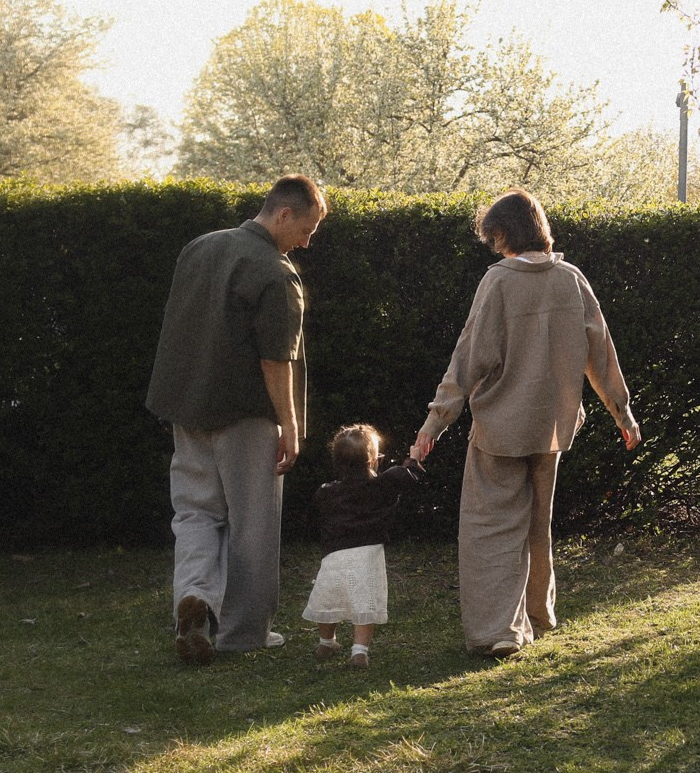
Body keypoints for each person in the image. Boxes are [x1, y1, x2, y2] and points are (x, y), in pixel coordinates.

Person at [413, 189, 641, 656]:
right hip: (552, 427)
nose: (493, 246)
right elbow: (601, 353)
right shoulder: (572, 280)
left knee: (490, 530)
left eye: (493, 236)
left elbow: (469, 358)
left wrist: (434, 424)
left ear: (504, 233)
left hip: (501, 426)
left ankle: (500, 631)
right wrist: (623, 412)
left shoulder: (499, 281)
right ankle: (538, 613)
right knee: (538, 521)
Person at [145, 174, 327, 664]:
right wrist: (290, 425)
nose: (308, 242)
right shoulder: (275, 271)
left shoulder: (199, 248)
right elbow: (276, 360)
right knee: (253, 523)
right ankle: (243, 633)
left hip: (187, 406)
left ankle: (197, 598)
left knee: (195, 512)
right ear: (284, 214)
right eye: (308, 229)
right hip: (246, 414)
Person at [301, 422, 423, 667]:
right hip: (368, 555)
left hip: (333, 556)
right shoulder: (381, 487)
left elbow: (317, 508)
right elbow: (405, 476)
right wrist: (414, 460)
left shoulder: (327, 492)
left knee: (328, 599)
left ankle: (327, 642)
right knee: (364, 603)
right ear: (372, 460)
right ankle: (359, 651)